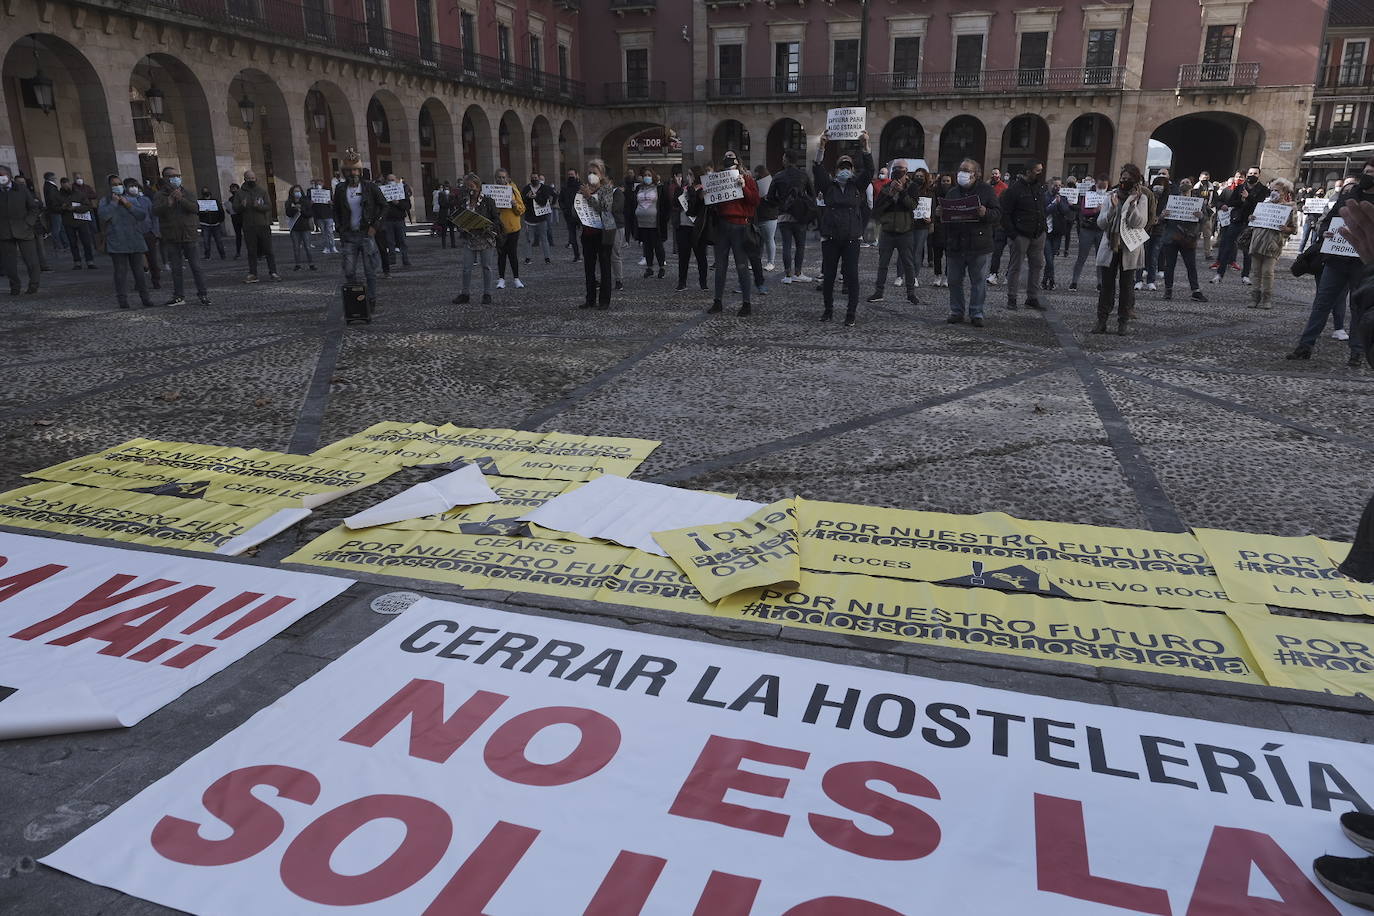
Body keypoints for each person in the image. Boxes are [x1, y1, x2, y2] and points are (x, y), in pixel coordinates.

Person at [1287, 160, 1374, 365]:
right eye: (1366, 171)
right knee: (1321, 303)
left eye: (1372, 172)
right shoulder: (1349, 195)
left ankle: (1357, 352)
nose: (1368, 175)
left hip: (1362, 263)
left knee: (1358, 307)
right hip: (1336, 259)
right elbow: (1331, 219)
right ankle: (1305, 346)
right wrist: (1324, 232)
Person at [812, 130, 874, 326]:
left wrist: (865, 147)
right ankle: (828, 310)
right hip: (831, 237)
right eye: (842, 167)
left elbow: (870, 170)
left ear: (852, 170)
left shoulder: (857, 186)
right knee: (829, 276)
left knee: (851, 275)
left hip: (851, 238)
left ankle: (850, 313)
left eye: (848, 167)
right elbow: (817, 167)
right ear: (836, 170)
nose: (844, 170)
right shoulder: (828, 185)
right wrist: (821, 147)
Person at [1093, 163, 1151, 335]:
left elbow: (1139, 223)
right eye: (1122, 178)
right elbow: (1101, 223)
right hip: (1111, 245)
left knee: (1126, 286)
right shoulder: (1111, 196)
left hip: (1129, 246)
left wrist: (1131, 206)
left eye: (1128, 178)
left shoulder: (1142, 198)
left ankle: (1122, 322)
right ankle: (1101, 320)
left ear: (1135, 180)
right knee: (1106, 286)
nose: (1124, 181)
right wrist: (1112, 209)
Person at [942, 159, 1001, 326]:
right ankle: (956, 311)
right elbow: (946, 219)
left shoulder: (987, 191)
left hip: (979, 244)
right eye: (961, 170)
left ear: (976, 174)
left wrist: (986, 213)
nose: (962, 174)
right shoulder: (953, 192)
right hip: (956, 244)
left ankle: (976, 313)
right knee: (954, 280)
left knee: (979, 281)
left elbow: (998, 214)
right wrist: (941, 214)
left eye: (966, 171)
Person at [708, 150, 762, 317]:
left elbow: (755, 201)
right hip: (723, 225)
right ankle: (717, 301)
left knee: (742, 266)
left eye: (731, 156)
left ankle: (746, 303)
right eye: (725, 156)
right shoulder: (718, 179)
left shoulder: (747, 178)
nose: (728, 158)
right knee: (720, 266)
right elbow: (713, 204)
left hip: (740, 226)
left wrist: (744, 187)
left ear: (738, 161)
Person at [331, 149, 386, 313]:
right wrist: (339, 227)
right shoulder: (340, 188)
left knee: (370, 271)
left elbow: (384, 206)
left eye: (355, 170)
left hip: (366, 234)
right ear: (344, 172)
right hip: (349, 235)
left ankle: (371, 299)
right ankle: (356, 300)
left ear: (360, 171)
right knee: (349, 271)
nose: (352, 173)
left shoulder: (370, 187)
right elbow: (336, 210)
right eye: (349, 170)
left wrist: (375, 226)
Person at [152, 166, 210, 306]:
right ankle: (179, 295)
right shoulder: (160, 195)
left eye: (177, 175)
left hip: (189, 234)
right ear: (165, 178)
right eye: (171, 176)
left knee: (196, 266)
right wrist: (169, 203)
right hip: (171, 235)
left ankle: (203, 294)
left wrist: (181, 199)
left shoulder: (188, 192)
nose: (175, 178)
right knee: (176, 268)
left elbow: (195, 209)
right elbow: (155, 212)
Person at [98, 175, 155, 309]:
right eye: (114, 184)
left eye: (119, 183)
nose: (117, 186)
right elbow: (104, 216)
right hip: (117, 241)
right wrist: (113, 203)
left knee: (139, 272)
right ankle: (122, 299)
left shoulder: (131, 199)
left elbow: (141, 215)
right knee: (120, 272)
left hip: (134, 239)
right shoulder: (104, 201)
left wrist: (128, 205)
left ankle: (145, 297)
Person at [868, 161, 919, 305]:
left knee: (908, 264)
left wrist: (902, 191)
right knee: (883, 263)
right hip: (888, 231)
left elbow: (912, 205)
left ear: (906, 171)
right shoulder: (885, 187)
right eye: (895, 169)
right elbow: (878, 209)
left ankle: (910, 293)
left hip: (905, 231)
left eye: (901, 169)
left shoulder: (912, 187)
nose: (898, 171)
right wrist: (889, 194)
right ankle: (879, 292)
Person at [1000, 161, 1049, 311]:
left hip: (1038, 234)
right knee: (1015, 267)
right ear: (1028, 172)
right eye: (1037, 170)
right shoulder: (1014, 189)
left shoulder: (1039, 188)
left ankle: (1032, 297)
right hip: (1021, 235)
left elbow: (1041, 208)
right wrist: (1013, 234)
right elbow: (1005, 213)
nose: (1040, 173)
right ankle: (1012, 298)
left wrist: (1044, 228)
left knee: (1037, 265)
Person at [1247, 178, 1297, 311]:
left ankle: (1266, 298)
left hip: (1273, 244)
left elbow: (1294, 228)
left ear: (1284, 192)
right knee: (1256, 271)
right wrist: (1251, 218)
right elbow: (1253, 220)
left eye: (1277, 190)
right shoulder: (1263, 205)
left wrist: (1285, 229)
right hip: (1257, 242)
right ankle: (1254, 297)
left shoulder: (1289, 207)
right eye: (1273, 190)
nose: (1274, 192)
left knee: (1268, 272)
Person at [452, 172, 501, 306]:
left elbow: (496, 220)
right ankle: (465, 293)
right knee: (466, 268)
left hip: (485, 238)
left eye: (472, 186)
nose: (470, 189)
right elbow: (459, 216)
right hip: (470, 237)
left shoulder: (488, 201)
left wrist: (488, 226)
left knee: (486, 266)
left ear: (478, 186)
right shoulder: (464, 200)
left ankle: (487, 294)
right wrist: (460, 225)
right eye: (467, 186)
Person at [767, 149, 815, 284]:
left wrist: (781, 204)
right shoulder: (803, 175)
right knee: (800, 245)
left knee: (786, 245)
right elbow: (812, 195)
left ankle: (787, 275)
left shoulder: (778, 176)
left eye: (783, 158)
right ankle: (798, 273)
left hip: (784, 216)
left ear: (786, 159)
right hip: (800, 216)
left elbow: (770, 197)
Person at [1213, 167, 1267, 285]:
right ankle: (1219, 273)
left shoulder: (1263, 190)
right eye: (1250, 173)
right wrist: (1242, 201)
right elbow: (1232, 202)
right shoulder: (1239, 188)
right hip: (1236, 220)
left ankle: (1246, 275)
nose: (1252, 175)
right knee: (1227, 247)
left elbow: (1261, 205)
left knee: (1247, 251)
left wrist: (1248, 197)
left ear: (1259, 175)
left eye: (1255, 173)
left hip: (1251, 223)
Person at [1158, 178, 1208, 302]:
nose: (1185, 184)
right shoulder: (1172, 201)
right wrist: (1163, 215)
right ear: (1179, 186)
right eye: (1182, 183)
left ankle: (1195, 291)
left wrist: (1201, 216)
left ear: (1192, 186)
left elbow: (1205, 218)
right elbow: (1161, 219)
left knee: (1191, 265)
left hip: (1189, 238)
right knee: (1169, 266)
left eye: (1187, 183)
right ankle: (1168, 290)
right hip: (1171, 237)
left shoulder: (1198, 202)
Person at [577, 158, 617, 310]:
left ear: (601, 175)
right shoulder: (584, 188)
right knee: (589, 267)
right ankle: (590, 299)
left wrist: (589, 197)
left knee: (605, 266)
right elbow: (577, 209)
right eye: (589, 173)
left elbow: (605, 208)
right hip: (588, 233)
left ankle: (604, 300)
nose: (591, 175)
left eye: (594, 173)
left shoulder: (606, 189)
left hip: (603, 232)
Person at [0, 166, 41, 295]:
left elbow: (33, 208)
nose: (2, 177)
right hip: (4, 232)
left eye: (3, 174)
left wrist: (28, 222)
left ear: (10, 176)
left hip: (24, 229)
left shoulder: (22, 189)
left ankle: (34, 284)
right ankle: (15, 286)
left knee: (31, 260)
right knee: (9, 264)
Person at [233, 171, 278, 282]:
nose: (252, 180)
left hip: (263, 225)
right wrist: (242, 206)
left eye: (253, 178)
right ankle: (253, 274)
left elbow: (268, 206)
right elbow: (235, 208)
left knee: (268, 250)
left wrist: (259, 207)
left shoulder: (262, 191)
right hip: (248, 226)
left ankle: (273, 272)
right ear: (245, 179)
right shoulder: (239, 193)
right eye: (249, 178)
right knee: (251, 251)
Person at [670, 169, 708, 292]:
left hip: (697, 227)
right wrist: (680, 188)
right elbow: (675, 203)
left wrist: (691, 190)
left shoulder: (702, 189)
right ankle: (682, 282)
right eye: (687, 174)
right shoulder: (683, 188)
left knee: (701, 256)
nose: (688, 176)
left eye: (691, 174)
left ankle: (703, 282)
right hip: (683, 226)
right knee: (683, 256)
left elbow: (693, 207)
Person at [1069, 177, 1107, 290]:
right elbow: (1083, 210)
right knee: (1081, 257)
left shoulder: (1109, 196)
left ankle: (1100, 282)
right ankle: (1074, 281)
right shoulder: (1088, 195)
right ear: (1096, 185)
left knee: (1100, 258)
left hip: (1101, 230)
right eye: (1100, 186)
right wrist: (1095, 210)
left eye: (1104, 186)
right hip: (1088, 229)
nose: (1102, 189)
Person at [491, 167, 525, 289]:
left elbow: (522, 210)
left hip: (513, 227)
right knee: (501, 254)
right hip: (499, 228)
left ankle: (516, 278)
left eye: (503, 177)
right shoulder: (492, 192)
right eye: (499, 177)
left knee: (512, 253)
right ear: (495, 179)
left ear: (508, 178)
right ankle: (501, 279)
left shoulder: (514, 190)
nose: (501, 179)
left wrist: (515, 205)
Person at [632, 167, 668, 278]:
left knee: (658, 245)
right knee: (647, 246)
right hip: (642, 223)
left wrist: (664, 219)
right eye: (645, 175)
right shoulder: (639, 188)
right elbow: (633, 201)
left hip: (655, 223)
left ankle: (661, 267)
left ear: (653, 176)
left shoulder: (659, 188)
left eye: (649, 175)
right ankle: (649, 268)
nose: (647, 177)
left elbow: (666, 204)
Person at [60, 175, 98, 270]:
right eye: (64, 186)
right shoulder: (59, 195)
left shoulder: (79, 194)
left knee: (86, 242)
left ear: (69, 183)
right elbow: (54, 207)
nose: (66, 187)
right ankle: (77, 262)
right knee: (73, 243)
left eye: (67, 185)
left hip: (81, 220)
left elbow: (87, 206)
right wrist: (62, 208)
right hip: (68, 221)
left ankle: (90, 261)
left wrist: (76, 208)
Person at [378, 172, 412, 274]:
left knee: (403, 241)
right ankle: (392, 259)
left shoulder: (402, 191)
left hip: (399, 220)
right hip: (388, 220)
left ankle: (405, 259)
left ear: (396, 181)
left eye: (393, 180)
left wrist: (398, 203)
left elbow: (408, 206)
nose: (391, 182)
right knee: (390, 242)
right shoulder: (383, 192)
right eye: (389, 180)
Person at [1042, 180, 1072, 290]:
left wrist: (1059, 204)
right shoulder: (1044, 197)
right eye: (1055, 185)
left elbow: (1066, 211)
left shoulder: (1063, 198)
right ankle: (1052, 280)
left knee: (1052, 258)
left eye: (1059, 185)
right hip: (1045, 232)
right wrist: (1054, 204)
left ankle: (1045, 280)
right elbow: (1044, 211)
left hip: (1057, 232)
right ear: (1050, 185)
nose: (1057, 187)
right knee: (1049, 258)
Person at [523, 173, 557, 265]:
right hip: (529, 218)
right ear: (530, 179)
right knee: (529, 239)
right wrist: (527, 197)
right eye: (532, 178)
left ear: (538, 179)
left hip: (542, 217)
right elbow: (522, 200)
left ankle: (547, 258)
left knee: (544, 238)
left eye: (536, 178)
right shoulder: (526, 188)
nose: (534, 179)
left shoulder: (545, 188)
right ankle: (528, 257)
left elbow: (553, 195)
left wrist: (552, 204)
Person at [283, 184, 316, 272]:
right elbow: (288, 213)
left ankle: (311, 263)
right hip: (295, 228)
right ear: (292, 193)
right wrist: (295, 209)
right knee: (296, 247)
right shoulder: (289, 202)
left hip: (305, 227)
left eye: (298, 191)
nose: (297, 193)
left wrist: (302, 210)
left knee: (308, 247)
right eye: (295, 191)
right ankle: (298, 264)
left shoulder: (305, 201)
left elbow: (309, 214)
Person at [753, 164, 778, 271]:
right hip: (760, 215)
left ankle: (771, 262)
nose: (755, 175)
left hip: (769, 215)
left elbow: (775, 199)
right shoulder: (758, 182)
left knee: (768, 239)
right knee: (760, 241)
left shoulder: (771, 183)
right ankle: (758, 261)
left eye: (757, 173)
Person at [42, 171, 66, 257]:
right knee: (56, 229)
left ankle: (64, 244)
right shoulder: (50, 186)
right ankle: (58, 246)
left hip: (56, 210)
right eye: (54, 177)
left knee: (61, 228)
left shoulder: (49, 186)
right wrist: (59, 207)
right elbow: (53, 199)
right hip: (55, 210)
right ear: (51, 177)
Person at [310, 179, 337, 254]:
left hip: (328, 215)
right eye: (317, 184)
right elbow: (310, 205)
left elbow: (333, 202)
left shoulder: (327, 192)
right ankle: (327, 247)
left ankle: (333, 246)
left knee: (330, 232)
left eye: (320, 183)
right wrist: (311, 203)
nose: (319, 185)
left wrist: (331, 203)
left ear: (323, 184)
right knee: (324, 233)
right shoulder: (313, 193)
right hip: (319, 216)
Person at [560, 168, 582, 262]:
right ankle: (576, 255)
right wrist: (564, 209)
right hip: (569, 215)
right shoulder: (564, 187)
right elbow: (560, 200)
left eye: (572, 174)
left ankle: (586, 253)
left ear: (576, 175)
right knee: (572, 237)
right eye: (569, 174)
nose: (570, 176)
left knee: (583, 236)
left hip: (581, 215)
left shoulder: (581, 186)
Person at [198, 187, 226, 260]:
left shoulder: (215, 201)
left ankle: (222, 255)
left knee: (219, 241)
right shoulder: (200, 202)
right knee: (206, 242)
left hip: (215, 224)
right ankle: (207, 255)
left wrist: (220, 220)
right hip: (205, 224)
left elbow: (221, 211)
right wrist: (203, 213)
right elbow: (198, 212)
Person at [436, 182, 458, 249]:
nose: (446, 188)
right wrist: (448, 204)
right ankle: (444, 245)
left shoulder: (452, 195)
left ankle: (453, 244)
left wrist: (450, 203)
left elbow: (454, 203)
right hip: (444, 214)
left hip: (451, 214)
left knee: (452, 231)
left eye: (448, 187)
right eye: (445, 187)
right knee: (444, 231)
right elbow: (441, 203)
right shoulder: (441, 194)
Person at [225, 182, 244, 259]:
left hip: (242, 217)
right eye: (231, 189)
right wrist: (228, 210)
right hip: (235, 218)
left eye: (234, 189)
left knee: (248, 235)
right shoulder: (230, 199)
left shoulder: (241, 197)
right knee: (238, 236)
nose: (233, 190)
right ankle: (238, 252)